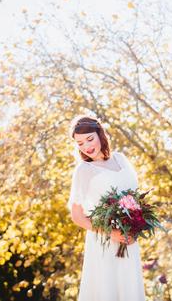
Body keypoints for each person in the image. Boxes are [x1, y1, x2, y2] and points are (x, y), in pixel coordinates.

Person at [67, 115, 147, 301]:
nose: (87, 146)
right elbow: (77, 216)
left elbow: (135, 198)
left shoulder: (121, 159)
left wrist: (135, 224)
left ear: (100, 134)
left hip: (129, 239)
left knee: (129, 288)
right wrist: (111, 233)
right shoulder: (84, 170)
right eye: (80, 143)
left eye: (89, 138)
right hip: (104, 241)